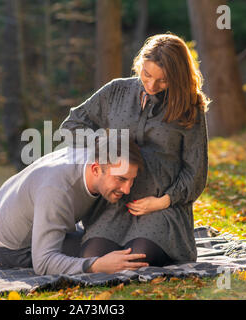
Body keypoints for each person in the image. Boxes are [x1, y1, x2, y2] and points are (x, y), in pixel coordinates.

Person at [60, 33, 209, 267]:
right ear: (140, 64)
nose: (151, 85)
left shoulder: (190, 108)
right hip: (113, 205)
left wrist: (163, 202)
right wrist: (108, 148)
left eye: (163, 80)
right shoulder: (116, 92)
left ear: (177, 77)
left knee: (137, 258)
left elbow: (196, 173)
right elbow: (71, 126)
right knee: (93, 258)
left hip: (161, 208)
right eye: (147, 75)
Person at [0, 133, 148, 275]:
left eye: (131, 180)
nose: (127, 189)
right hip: (14, 247)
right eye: (121, 179)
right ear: (96, 170)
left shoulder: (96, 154)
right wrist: (97, 266)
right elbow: (43, 263)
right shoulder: (57, 191)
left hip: (7, 203)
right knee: (96, 250)